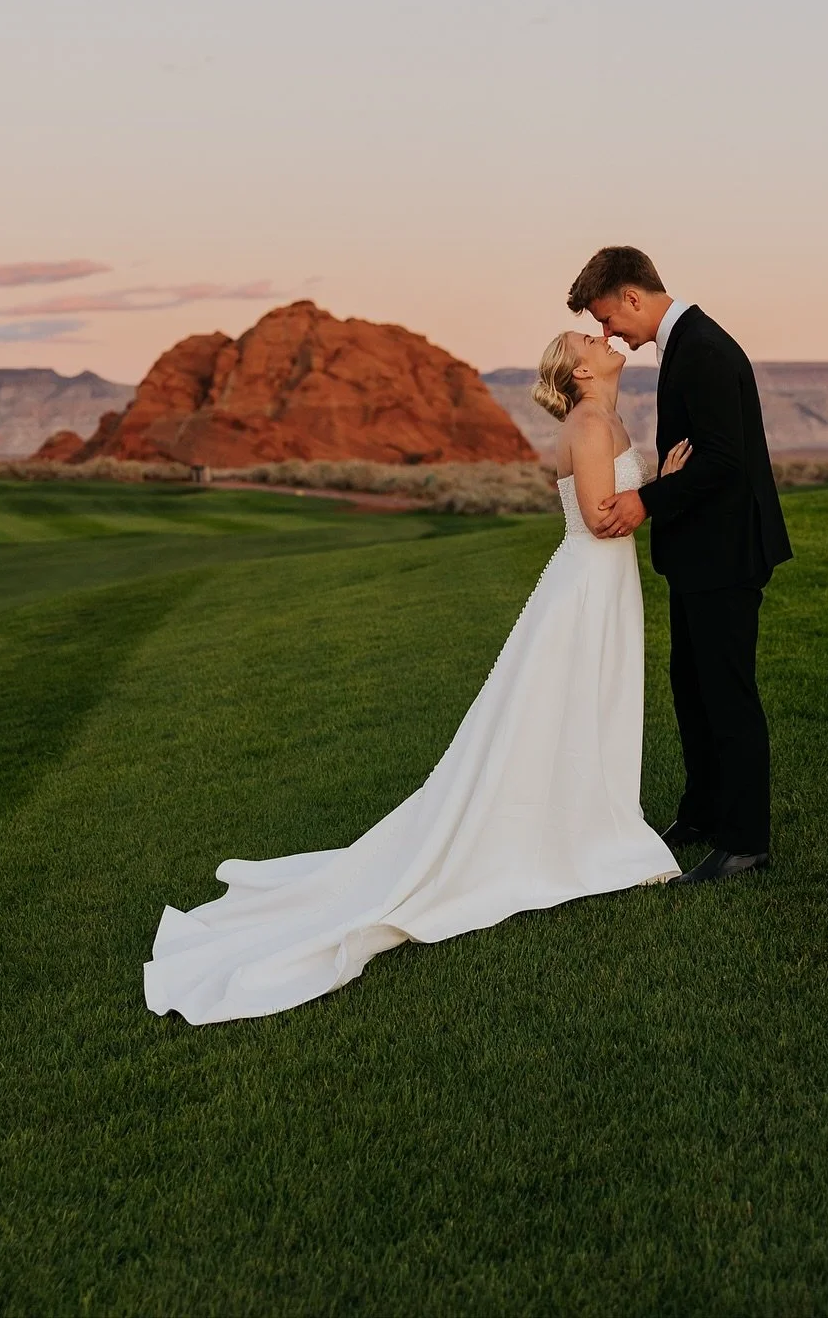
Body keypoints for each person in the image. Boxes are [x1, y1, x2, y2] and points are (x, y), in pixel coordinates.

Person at [144, 327, 689, 1023]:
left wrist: (656, 485)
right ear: (581, 370)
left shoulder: (607, 416)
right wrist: (665, 486)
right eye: (590, 337)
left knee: (592, 705)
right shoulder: (588, 422)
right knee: (563, 707)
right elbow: (600, 518)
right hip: (584, 587)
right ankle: (577, 834)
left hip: (606, 588)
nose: (604, 337)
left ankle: (593, 821)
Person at [570, 246, 792, 886]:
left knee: (727, 697)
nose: (610, 334)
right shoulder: (686, 345)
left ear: (632, 297)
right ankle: (700, 814)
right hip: (700, 555)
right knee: (691, 690)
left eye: (609, 320)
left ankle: (746, 844)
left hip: (727, 555)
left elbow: (725, 461)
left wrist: (647, 498)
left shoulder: (704, 349)